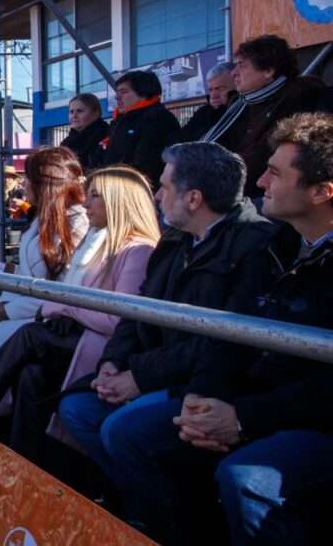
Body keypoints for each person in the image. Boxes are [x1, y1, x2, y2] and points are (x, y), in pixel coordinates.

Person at [98, 114, 333, 544]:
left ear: (320, 192)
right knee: (127, 431)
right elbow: (229, 336)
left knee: (245, 477)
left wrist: (240, 417)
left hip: (302, 415)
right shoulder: (276, 247)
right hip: (250, 398)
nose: (260, 182)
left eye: (275, 173)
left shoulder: (255, 243)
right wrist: (204, 399)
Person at [56, 143, 274, 543]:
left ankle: (172, 526)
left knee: (125, 430)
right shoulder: (174, 242)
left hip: (201, 382)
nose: (157, 196)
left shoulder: (253, 247)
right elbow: (138, 310)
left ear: (194, 198)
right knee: (78, 409)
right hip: (160, 370)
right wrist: (114, 363)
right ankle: (143, 504)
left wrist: (138, 377)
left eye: (165, 187)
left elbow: (221, 342)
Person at [0, 166, 159, 462]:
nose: (86, 204)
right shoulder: (97, 242)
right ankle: (23, 459)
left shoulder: (137, 250)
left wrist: (64, 308)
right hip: (73, 337)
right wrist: (65, 309)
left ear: (119, 202)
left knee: (29, 335)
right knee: (30, 375)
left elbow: (118, 320)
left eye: (95, 197)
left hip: (102, 348)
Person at [0, 147, 89, 392]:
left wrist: (9, 311)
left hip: (48, 316)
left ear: (44, 184)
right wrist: (0, 308)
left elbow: (62, 289)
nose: (23, 183)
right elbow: (23, 276)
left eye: (28, 177)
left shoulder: (77, 224)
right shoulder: (40, 221)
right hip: (21, 307)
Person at [202, 34, 326, 201]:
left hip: (262, 198)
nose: (234, 73)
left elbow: (260, 158)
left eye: (242, 65)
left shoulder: (299, 101)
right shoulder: (241, 105)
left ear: (268, 70)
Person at [103, 70, 181, 188]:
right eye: (117, 92)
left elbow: (146, 163)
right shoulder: (120, 120)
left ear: (144, 93)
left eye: (123, 92)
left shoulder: (158, 118)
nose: (117, 97)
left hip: (140, 192)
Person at [175, 62, 237, 143]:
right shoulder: (202, 113)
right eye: (211, 90)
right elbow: (181, 137)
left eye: (220, 88)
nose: (214, 95)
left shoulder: (241, 110)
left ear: (237, 85)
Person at [59, 93, 109, 172]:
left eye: (80, 111)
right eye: (71, 112)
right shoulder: (66, 143)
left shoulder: (107, 135)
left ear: (95, 113)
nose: (74, 116)